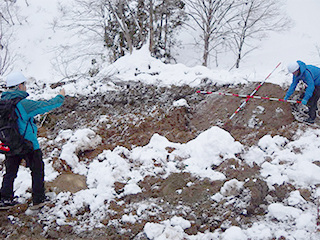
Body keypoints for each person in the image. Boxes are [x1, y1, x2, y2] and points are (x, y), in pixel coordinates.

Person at [0, 71, 65, 209]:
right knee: (37, 169)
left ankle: (5, 198)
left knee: (10, 172)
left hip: (10, 143)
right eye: (23, 84)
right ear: (19, 86)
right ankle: (39, 199)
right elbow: (46, 105)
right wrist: (60, 97)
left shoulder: (2, 103)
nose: (25, 87)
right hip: (27, 144)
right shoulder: (24, 104)